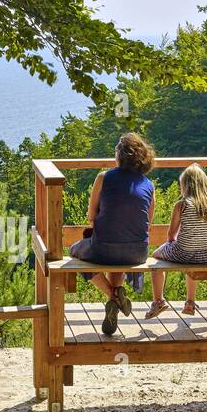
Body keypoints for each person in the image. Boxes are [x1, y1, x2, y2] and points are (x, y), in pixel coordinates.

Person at [68, 133, 156, 336]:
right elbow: (148, 223)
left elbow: (91, 216)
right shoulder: (149, 185)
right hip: (138, 253)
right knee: (119, 252)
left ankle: (112, 295)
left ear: (119, 156)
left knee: (74, 252)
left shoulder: (103, 178)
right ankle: (114, 300)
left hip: (104, 249)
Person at [145, 163, 207, 323]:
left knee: (155, 259)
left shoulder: (181, 205)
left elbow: (171, 234)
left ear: (185, 186)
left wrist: (173, 243)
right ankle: (190, 301)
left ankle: (158, 300)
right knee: (196, 253)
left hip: (183, 253)